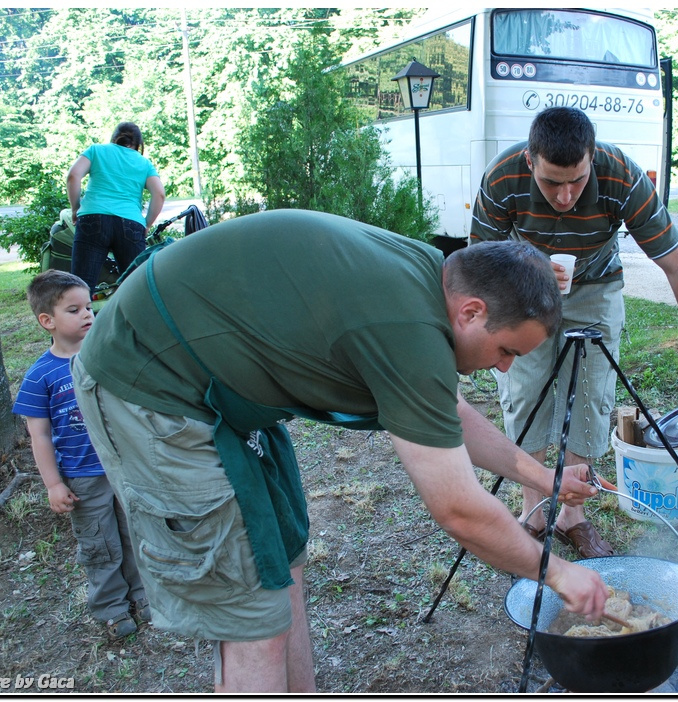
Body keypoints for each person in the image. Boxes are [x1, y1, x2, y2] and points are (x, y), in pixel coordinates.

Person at [70, 209, 611, 692]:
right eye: (506, 350)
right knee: (252, 619)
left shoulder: (429, 279)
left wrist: (545, 480)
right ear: (471, 312)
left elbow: (449, 412)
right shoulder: (408, 328)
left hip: (220, 388)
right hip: (152, 385)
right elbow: (460, 511)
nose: (505, 367)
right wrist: (559, 573)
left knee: (283, 570)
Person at [471, 106, 678, 558]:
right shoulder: (501, 179)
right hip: (523, 288)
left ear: (592, 157)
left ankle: (573, 515)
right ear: (530, 161)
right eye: (552, 182)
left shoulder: (622, 178)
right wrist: (530, 269)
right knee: (526, 392)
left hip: (596, 286)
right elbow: (476, 265)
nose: (565, 194)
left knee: (591, 395)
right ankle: (535, 512)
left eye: (576, 179)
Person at [12, 270, 149, 640]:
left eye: (89, 306)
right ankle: (111, 607)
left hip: (122, 467)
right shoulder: (41, 375)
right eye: (74, 309)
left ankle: (145, 593)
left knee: (135, 532)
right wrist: (54, 484)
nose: (88, 314)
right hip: (84, 476)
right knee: (99, 542)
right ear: (47, 321)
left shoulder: (107, 356)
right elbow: (39, 435)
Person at [66, 121, 166, 295]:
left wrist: (75, 208)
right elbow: (159, 194)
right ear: (139, 144)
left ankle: (86, 322)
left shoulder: (96, 151)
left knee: (82, 287)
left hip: (92, 219)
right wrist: (147, 223)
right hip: (131, 224)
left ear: (114, 137)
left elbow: (73, 176)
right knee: (136, 289)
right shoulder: (144, 163)